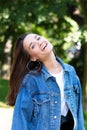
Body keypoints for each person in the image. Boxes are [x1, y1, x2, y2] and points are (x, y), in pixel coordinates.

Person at [7, 33, 85, 130]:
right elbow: (20, 122)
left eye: (38, 38)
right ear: (33, 58)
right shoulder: (31, 81)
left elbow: (78, 114)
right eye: (33, 46)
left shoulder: (71, 72)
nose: (39, 43)